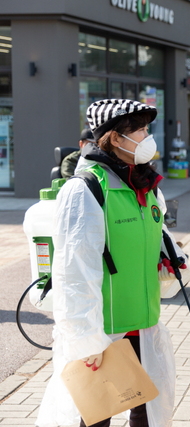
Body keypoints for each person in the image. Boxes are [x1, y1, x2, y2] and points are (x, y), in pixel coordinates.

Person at [36, 99, 176, 427]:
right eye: (140, 130)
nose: (147, 137)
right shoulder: (87, 189)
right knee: (96, 415)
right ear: (116, 138)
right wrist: (87, 340)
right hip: (103, 332)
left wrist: (171, 257)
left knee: (145, 410)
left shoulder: (145, 185)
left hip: (142, 325)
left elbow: (153, 236)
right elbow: (73, 271)